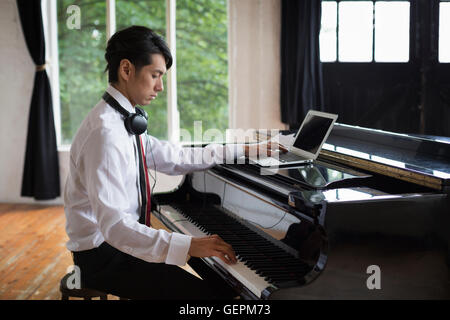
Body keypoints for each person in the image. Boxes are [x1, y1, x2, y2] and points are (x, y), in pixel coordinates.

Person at [63, 25, 280, 300]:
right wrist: (189, 244)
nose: (160, 86)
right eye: (155, 75)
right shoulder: (105, 133)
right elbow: (116, 227)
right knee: (210, 298)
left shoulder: (124, 121)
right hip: (103, 256)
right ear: (126, 70)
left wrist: (243, 150)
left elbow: (176, 157)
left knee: (221, 289)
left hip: (121, 244)